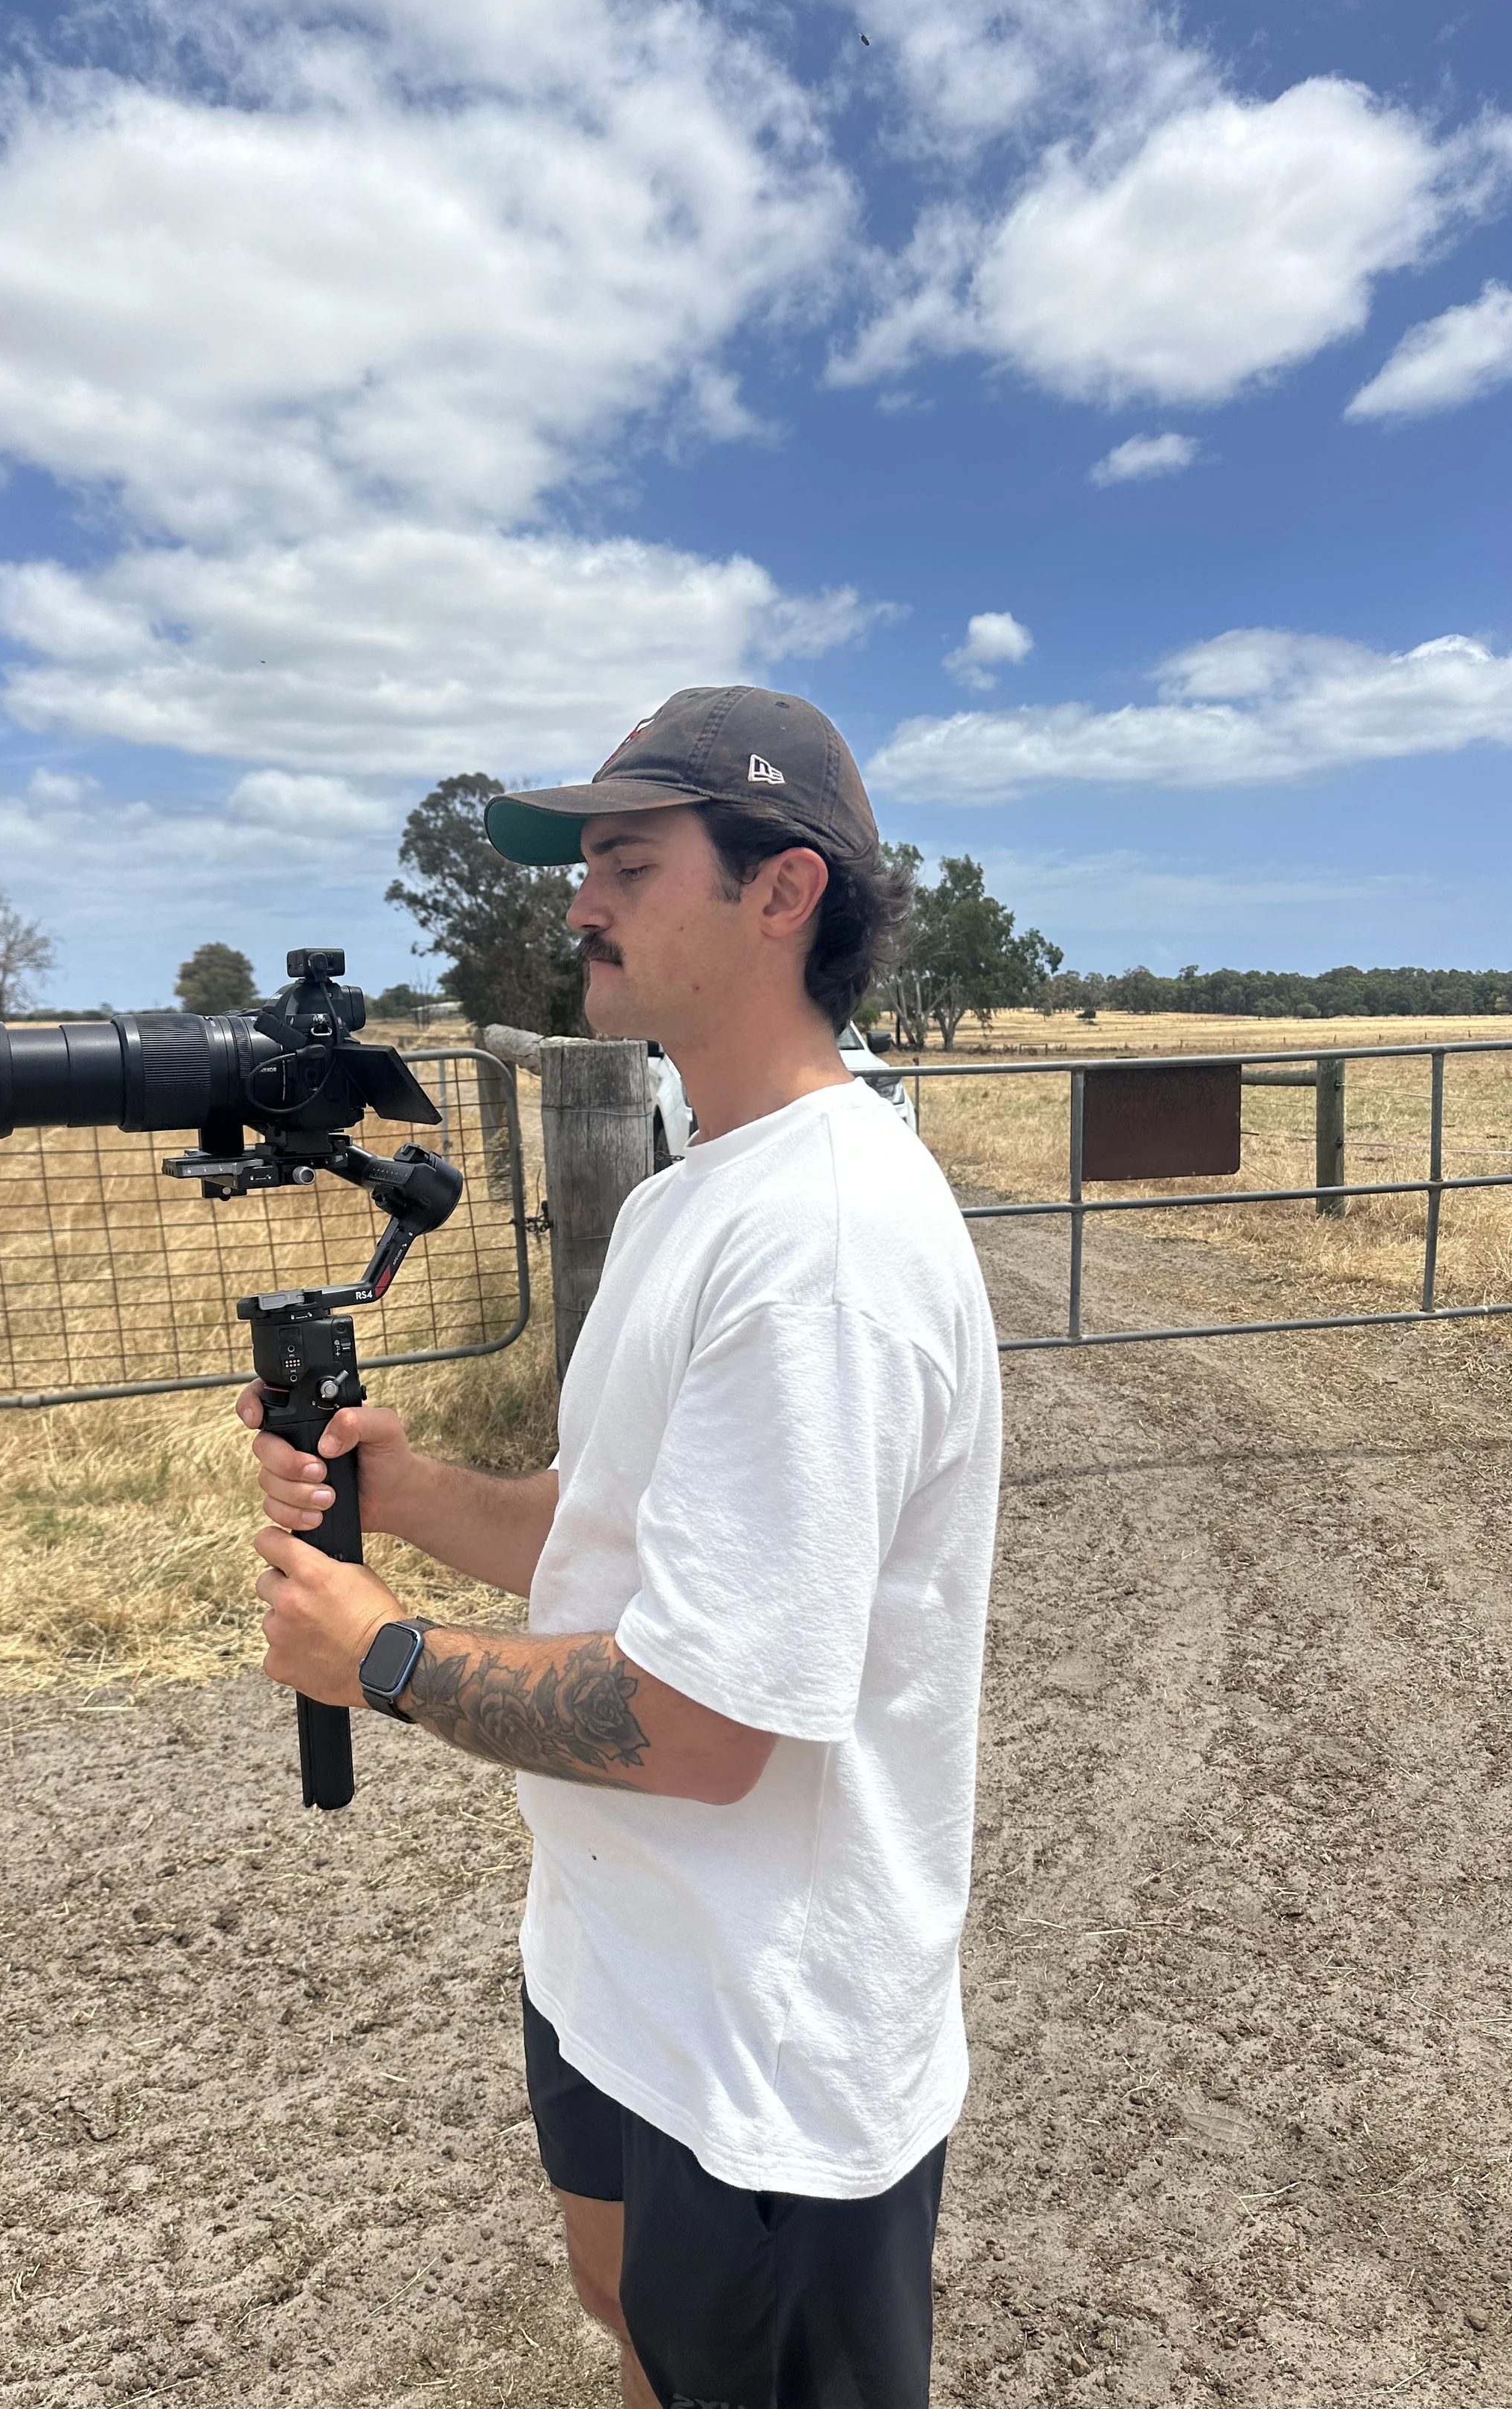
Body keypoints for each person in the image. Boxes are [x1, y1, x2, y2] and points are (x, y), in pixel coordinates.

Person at [242, 685, 1002, 2408]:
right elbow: (616, 1541)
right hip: (616, 1962)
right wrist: (414, 1489)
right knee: (631, 2318)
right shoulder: (689, 1190)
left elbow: (705, 1725)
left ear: (779, 890)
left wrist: (386, 1655)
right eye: (581, 862)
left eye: (626, 862)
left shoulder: (824, 1243)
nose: (576, 900)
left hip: (765, 2048)